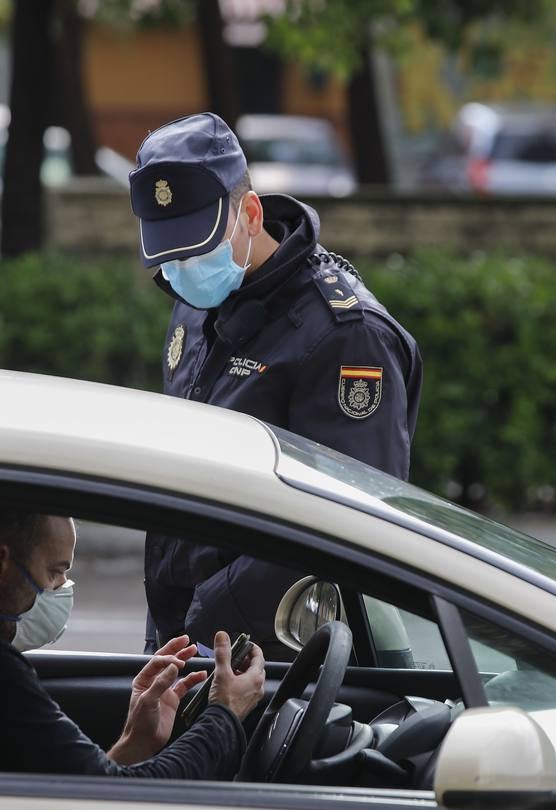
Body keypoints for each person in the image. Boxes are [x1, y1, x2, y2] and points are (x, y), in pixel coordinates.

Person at [127, 112, 423, 657]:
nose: (183, 269)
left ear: (251, 213)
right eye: (170, 256)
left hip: (287, 658)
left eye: (197, 248)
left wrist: (204, 620)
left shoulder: (345, 336)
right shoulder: (200, 304)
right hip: (189, 648)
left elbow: (347, 522)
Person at [0, 503, 266, 778]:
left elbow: (84, 794)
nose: (59, 590)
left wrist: (135, 741)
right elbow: (122, 802)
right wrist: (225, 714)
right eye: (54, 572)